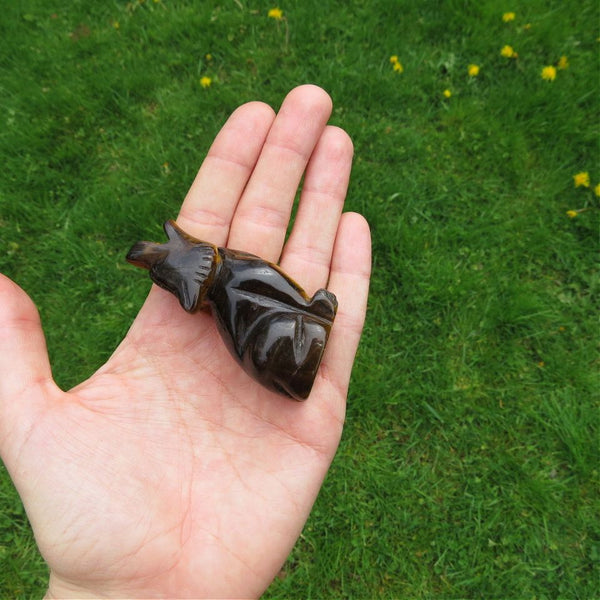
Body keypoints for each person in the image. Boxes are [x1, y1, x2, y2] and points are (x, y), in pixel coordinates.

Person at [0, 85, 371, 598]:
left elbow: (275, 289)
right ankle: (304, 333)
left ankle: (305, 333)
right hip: (286, 348)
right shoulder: (229, 285)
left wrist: (307, 310)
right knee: (273, 333)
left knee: (274, 331)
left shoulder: (232, 282)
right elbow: (277, 288)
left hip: (289, 347)